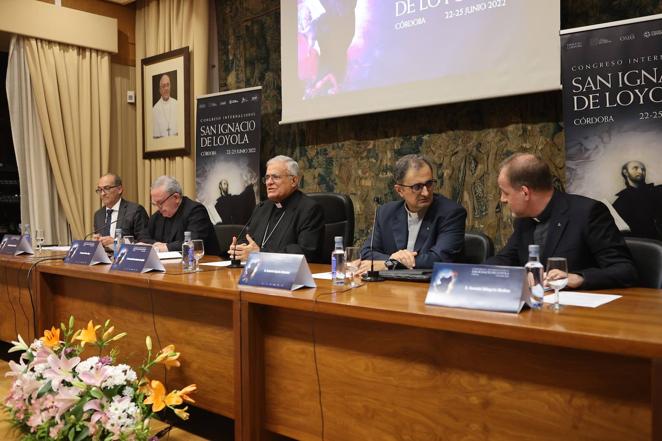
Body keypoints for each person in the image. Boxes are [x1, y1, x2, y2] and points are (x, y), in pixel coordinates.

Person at [486, 153, 637, 290]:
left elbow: (625, 270)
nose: (502, 199)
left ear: (525, 192)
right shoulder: (524, 220)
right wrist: (474, 274)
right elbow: (504, 258)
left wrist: (579, 278)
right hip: (539, 307)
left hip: (584, 311)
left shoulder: (587, 212)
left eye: (505, 192)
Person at [359, 154, 467, 271]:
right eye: (417, 187)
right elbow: (367, 253)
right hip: (391, 286)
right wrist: (392, 259)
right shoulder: (386, 212)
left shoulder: (451, 213)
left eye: (429, 184)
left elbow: (440, 259)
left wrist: (391, 263)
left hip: (430, 286)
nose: (426, 193)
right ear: (400, 190)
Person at [228, 155, 324, 262]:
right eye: (267, 177)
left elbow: (305, 252)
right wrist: (239, 249)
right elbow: (249, 240)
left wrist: (261, 254)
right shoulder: (262, 208)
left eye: (275, 177)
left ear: (294, 181)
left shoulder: (309, 209)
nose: (269, 182)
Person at [141, 176, 221, 256]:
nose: (158, 207)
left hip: (202, 264)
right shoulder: (157, 216)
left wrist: (164, 247)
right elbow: (145, 238)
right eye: (155, 204)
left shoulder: (196, 211)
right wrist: (155, 244)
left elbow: (194, 243)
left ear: (176, 197)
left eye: (160, 203)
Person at [93, 174, 149, 247]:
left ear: (119, 189)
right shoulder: (98, 215)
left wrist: (116, 242)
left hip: (127, 257)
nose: (102, 193)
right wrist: (96, 242)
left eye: (107, 188)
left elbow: (145, 242)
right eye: (100, 190)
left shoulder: (135, 211)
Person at [613, 160, 662, 240]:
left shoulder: (658, 191)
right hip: (644, 246)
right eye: (635, 168)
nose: (640, 171)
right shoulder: (620, 202)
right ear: (625, 172)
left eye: (643, 169)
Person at [152, 74, 178, 138]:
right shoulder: (155, 109)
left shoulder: (177, 104)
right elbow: (156, 137)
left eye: (168, 85)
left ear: (170, 87)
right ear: (160, 90)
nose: (166, 88)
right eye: (163, 86)